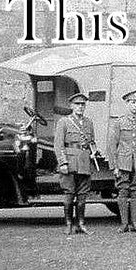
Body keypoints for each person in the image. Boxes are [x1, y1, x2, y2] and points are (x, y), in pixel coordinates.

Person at [107, 89, 136, 234]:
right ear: (127, 104)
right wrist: (114, 166)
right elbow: (112, 145)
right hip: (123, 163)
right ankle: (124, 224)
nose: (135, 105)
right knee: (123, 191)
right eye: (132, 102)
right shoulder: (119, 122)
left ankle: (135, 223)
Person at [54, 92, 96, 235]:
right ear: (71, 106)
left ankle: (81, 224)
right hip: (70, 162)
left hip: (84, 161)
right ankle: (68, 224)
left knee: (83, 195)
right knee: (69, 194)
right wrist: (63, 162)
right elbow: (58, 145)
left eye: (82, 104)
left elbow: (92, 142)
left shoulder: (89, 122)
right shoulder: (64, 122)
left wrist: (94, 151)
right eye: (77, 104)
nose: (80, 107)